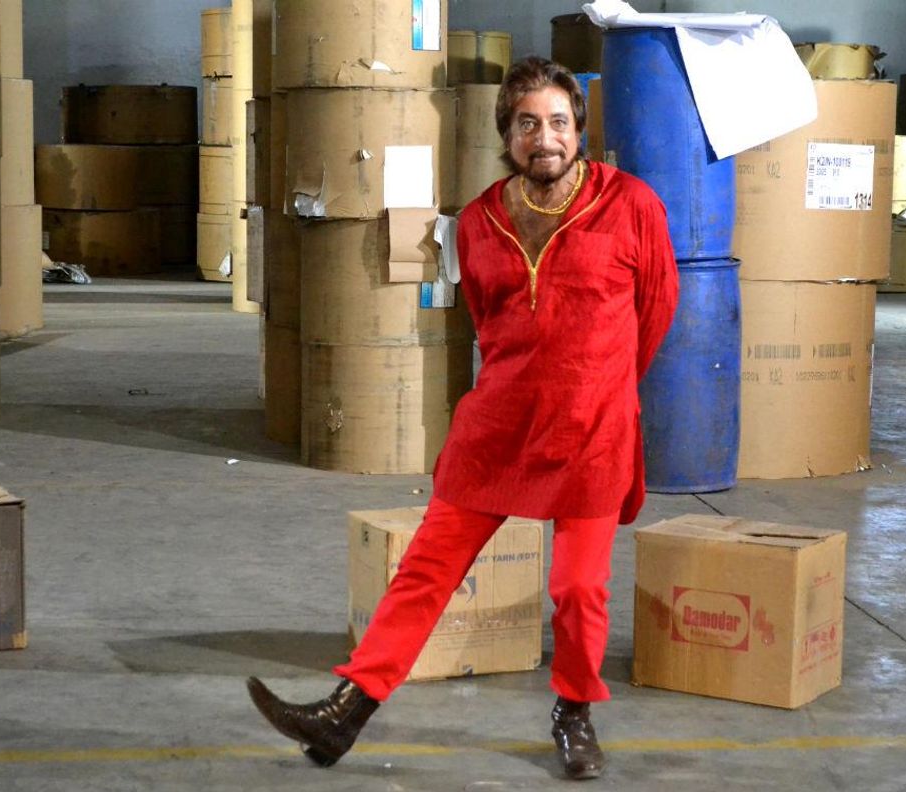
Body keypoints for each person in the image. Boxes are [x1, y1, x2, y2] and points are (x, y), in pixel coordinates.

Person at [247, 56, 679, 781]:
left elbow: (657, 309)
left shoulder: (630, 204)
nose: (545, 138)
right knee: (425, 570)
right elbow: (486, 320)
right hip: (497, 429)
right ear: (506, 134)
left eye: (559, 122)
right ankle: (345, 712)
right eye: (527, 124)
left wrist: (599, 387)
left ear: (579, 130)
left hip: (592, 433)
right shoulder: (478, 222)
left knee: (579, 589)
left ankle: (574, 712)